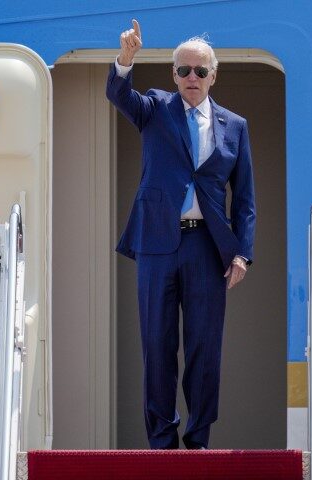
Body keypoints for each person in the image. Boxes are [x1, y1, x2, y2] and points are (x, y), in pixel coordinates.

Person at [107, 20, 256, 449]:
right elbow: (119, 94)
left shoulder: (235, 126)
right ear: (173, 75)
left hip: (208, 249)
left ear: (213, 76)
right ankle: (161, 441)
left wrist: (242, 254)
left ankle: (198, 440)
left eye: (201, 71)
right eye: (184, 70)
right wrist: (126, 59)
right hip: (156, 243)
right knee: (157, 344)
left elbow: (244, 197)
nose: (192, 78)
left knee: (204, 349)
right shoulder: (155, 108)